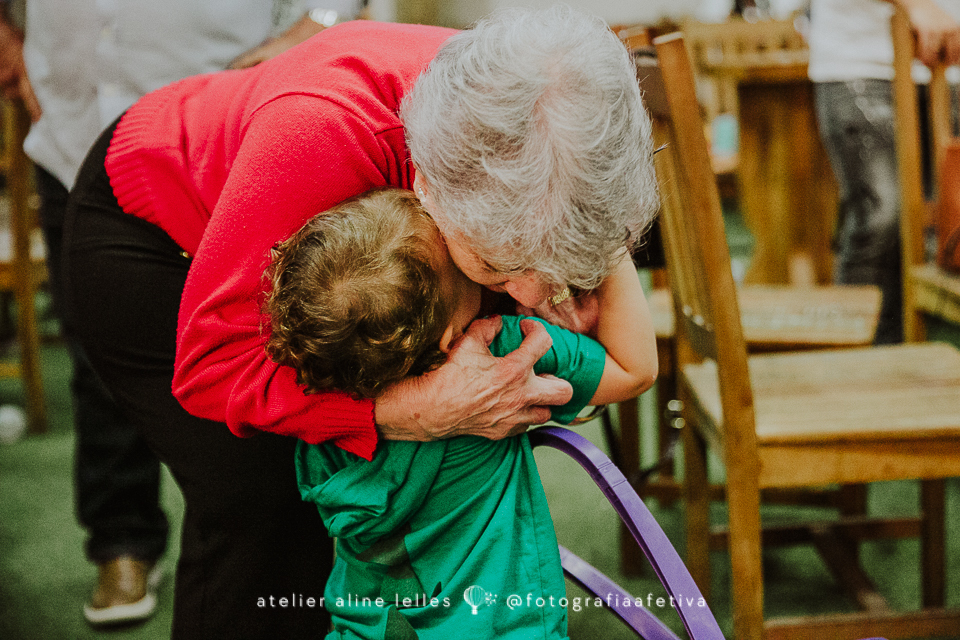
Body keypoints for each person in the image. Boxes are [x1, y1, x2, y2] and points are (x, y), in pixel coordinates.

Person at [61, 6, 659, 638]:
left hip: (310, 210)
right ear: (427, 185)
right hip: (148, 237)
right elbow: (211, 367)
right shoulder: (327, 130)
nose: (535, 294)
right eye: (500, 264)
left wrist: (567, 254)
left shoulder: (541, 117)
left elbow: (584, 262)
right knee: (264, 509)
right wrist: (403, 411)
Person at [0, 0, 365, 627]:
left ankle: (285, 550)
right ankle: (121, 539)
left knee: (264, 361)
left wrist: (323, 23)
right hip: (70, 119)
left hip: (219, 131)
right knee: (99, 358)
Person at [266, 188, 656, 639]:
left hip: (366, 628)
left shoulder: (320, 398)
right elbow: (635, 369)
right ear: (448, 337)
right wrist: (601, 227)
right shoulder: (500, 350)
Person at [809, 0, 960, 344]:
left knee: (945, 233)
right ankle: (859, 366)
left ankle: (925, 361)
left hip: (946, 64)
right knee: (882, 220)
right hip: (861, 60)